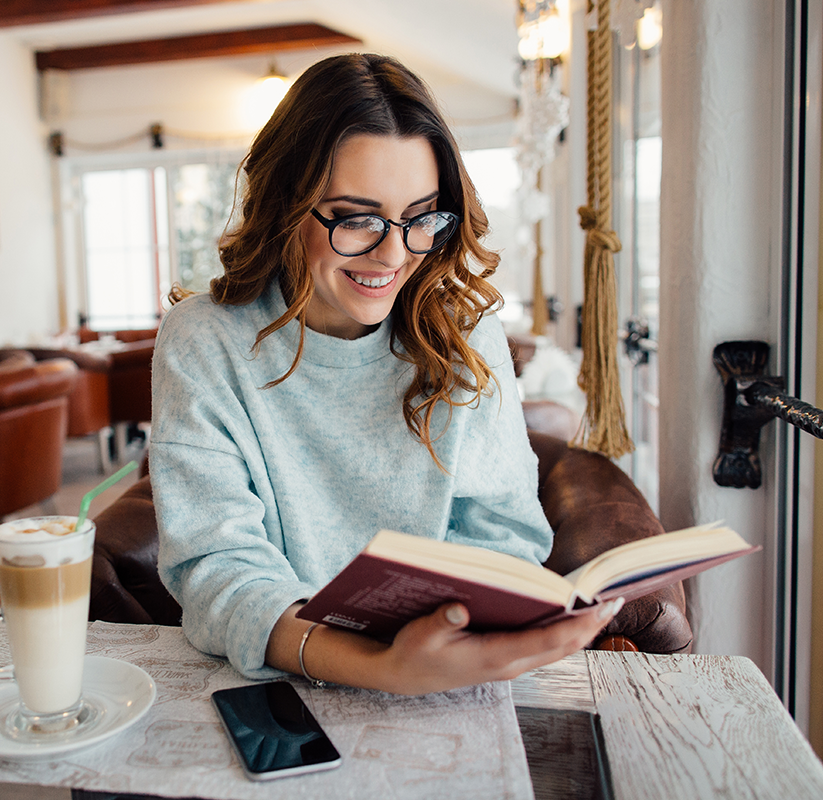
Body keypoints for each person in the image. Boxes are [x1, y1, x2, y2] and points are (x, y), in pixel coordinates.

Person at [148, 53, 617, 696]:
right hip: (283, 685)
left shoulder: (468, 337)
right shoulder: (205, 340)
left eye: (422, 216)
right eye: (357, 218)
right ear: (287, 204)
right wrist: (378, 668)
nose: (394, 254)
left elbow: (506, 538)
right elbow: (217, 565)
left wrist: (450, 641)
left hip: (448, 676)